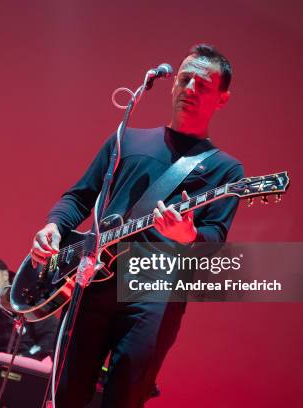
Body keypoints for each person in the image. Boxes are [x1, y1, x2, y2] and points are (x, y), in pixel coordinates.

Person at [30, 44, 245, 407]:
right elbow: (80, 196)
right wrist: (53, 226)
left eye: (202, 85)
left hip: (154, 296)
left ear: (222, 99)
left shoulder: (226, 170)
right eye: (185, 79)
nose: (189, 89)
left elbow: (214, 241)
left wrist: (188, 236)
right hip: (92, 282)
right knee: (65, 393)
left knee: (126, 395)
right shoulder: (126, 139)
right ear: (173, 82)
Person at [0, 257, 58, 359]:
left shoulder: (25, 299)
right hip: (4, 371)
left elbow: (52, 334)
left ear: (5, 275)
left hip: (32, 368)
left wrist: (25, 357)